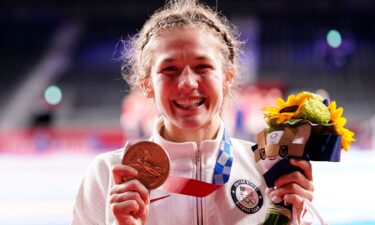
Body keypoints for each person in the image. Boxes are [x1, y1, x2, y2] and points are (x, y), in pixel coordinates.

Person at [71, 0, 314, 224]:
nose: (187, 82)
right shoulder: (110, 173)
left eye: (202, 66)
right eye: (169, 69)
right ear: (146, 85)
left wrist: (299, 218)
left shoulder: (269, 169)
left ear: (228, 78)